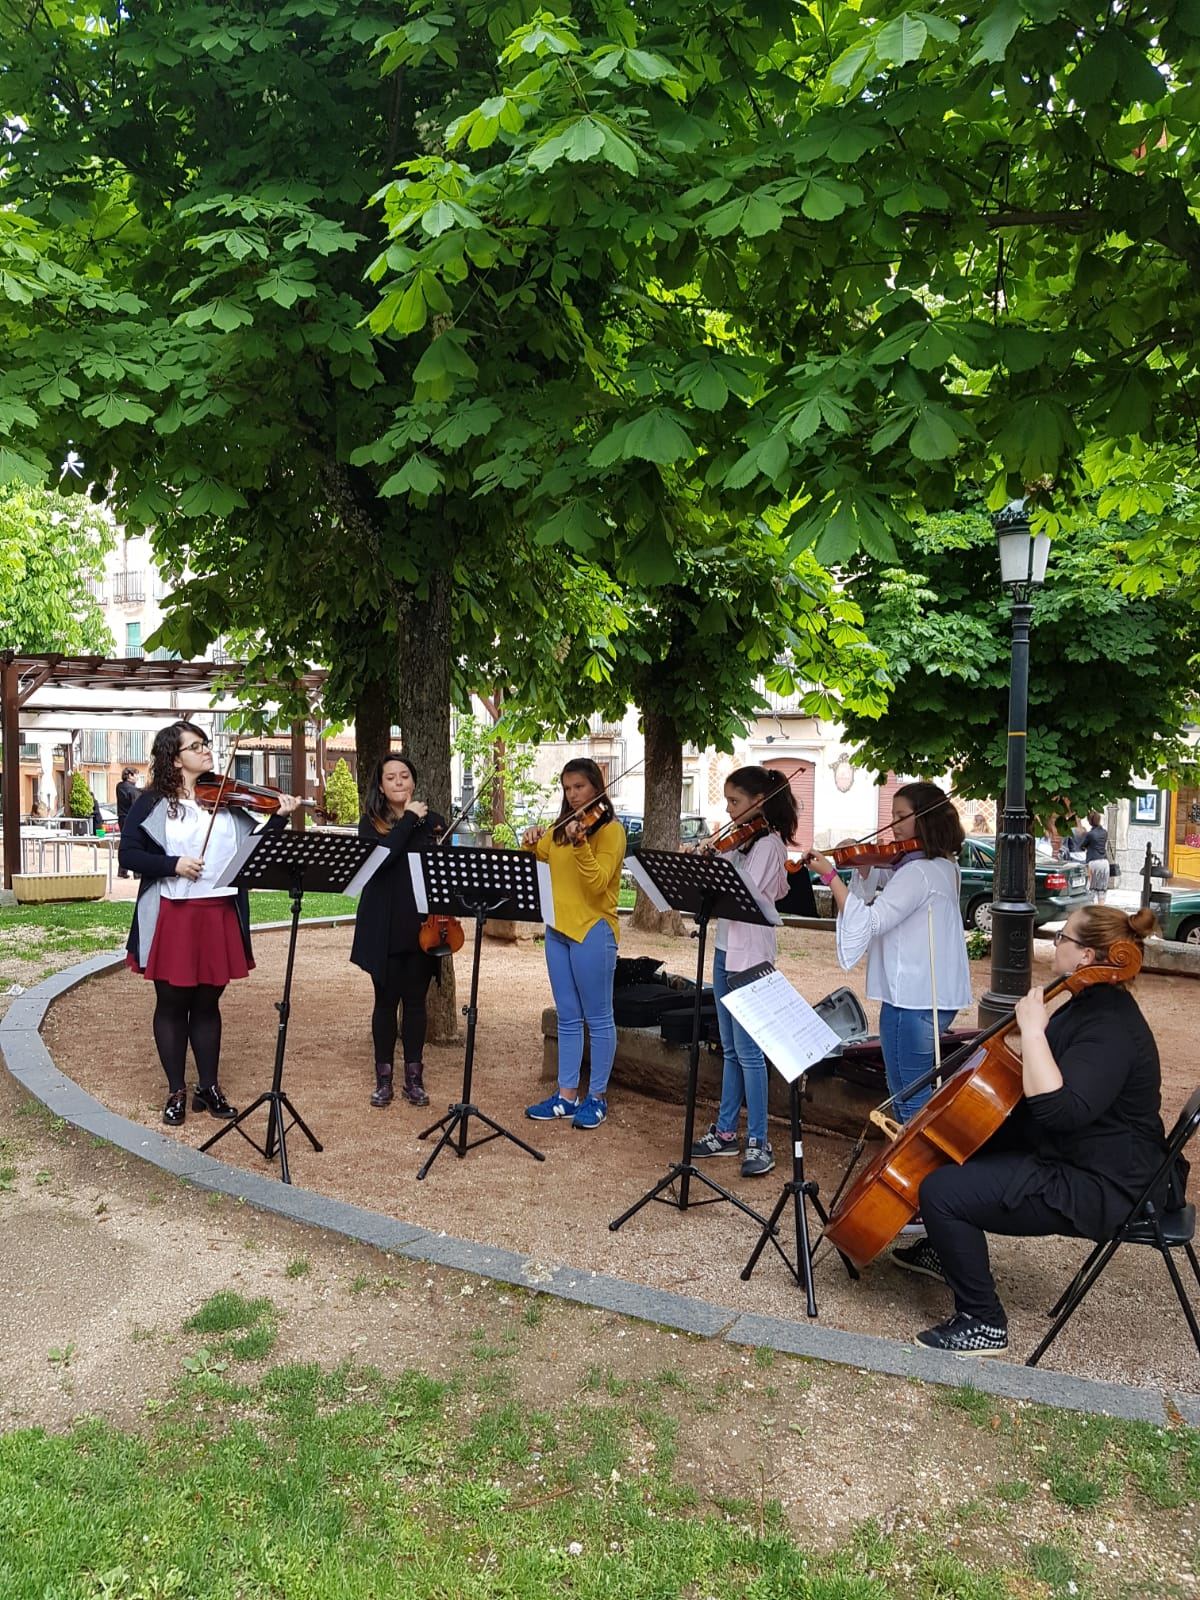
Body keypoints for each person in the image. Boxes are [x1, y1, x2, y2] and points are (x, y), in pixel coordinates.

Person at [898, 904, 1166, 1355]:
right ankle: (950, 1251)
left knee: (942, 1191)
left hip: (1102, 1181)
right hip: (1076, 1151)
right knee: (964, 1146)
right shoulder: (1088, 1001)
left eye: (1064, 937)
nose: (1056, 943)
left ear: (1086, 957)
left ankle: (983, 1321)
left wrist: (1034, 1032)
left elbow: (1058, 1110)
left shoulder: (1111, 1028)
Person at [118, 722, 301, 1126]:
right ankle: (176, 1091)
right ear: (174, 757)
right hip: (174, 914)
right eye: (195, 746)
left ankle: (209, 1087)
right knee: (171, 1004)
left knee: (207, 1004)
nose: (206, 751)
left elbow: (252, 852)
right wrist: (173, 864)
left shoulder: (227, 802)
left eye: (205, 744)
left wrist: (279, 820)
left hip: (219, 911)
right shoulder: (151, 803)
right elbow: (128, 855)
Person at [807, 781, 973, 1127]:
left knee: (907, 1096)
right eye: (892, 815)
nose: (894, 825)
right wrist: (864, 864)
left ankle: (916, 1171)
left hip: (911, 999)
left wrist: (831, 876)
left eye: (902, 816)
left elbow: (868, 922)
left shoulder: (917, 872)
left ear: (925, 820)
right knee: (914, 1090)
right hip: (933, 994)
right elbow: (888, 880)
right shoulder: (943, 866)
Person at [690, 766, 796, 1177]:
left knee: (751, 1054)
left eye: (735, 801)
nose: (729, 810)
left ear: (758, 802)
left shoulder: (768, 845)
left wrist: (718, 865)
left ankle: (759, 1139)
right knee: (730, 1050)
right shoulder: (741, 843)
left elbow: (742, 893)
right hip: (723, 950)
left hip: (751, 956)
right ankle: (726, 1131)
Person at [522, 759, 625, 1130]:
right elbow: (543, 855)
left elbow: (598, 883)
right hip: (558, 929)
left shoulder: (610, 831)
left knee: (598, 1018)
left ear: (596, 786)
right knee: (567, 1016)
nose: (572, 794)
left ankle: (596, 1097)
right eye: (567, 788)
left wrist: (582, 844)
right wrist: (531, 842)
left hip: (593, 929)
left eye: (579, 787)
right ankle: (566, 1096)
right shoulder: (563, 828)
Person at [350, 753, 444, 1110]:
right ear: (380, 785)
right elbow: (382, 860)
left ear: (414, 781)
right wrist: (406, 821)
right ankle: (384, 1079)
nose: (399, 782)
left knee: (417, 1003)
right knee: (386, 1002)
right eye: (391, 778)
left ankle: (414, 1079)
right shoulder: (370, 823)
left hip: (422, 925)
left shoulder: (434, 823)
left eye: (405, 776)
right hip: (384, 923)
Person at [1080, 808, 1110, 904]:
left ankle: (1091, 912)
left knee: (1091, 888)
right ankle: (1101, 912)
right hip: (1104, 862)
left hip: (1093, 862)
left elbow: (1082, 846)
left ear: (1090, 821)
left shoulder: (1090, 834)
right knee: (1102, 890)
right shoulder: (1105, 833)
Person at [116, 766, 141, 877]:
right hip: (131, 819)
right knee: (137, 844)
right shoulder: (133, 789)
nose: (137, 777)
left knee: (125, 843)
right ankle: (137, 872)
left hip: (122, 818)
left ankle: (122, 870)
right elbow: (136, 806)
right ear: (130, 775)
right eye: (136, 774)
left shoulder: (119, 786)